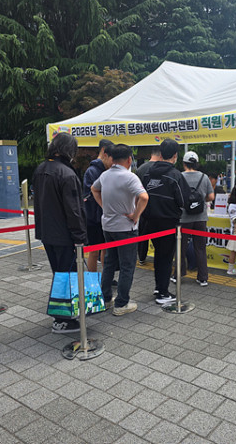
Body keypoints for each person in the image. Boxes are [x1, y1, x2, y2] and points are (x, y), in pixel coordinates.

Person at [33, 132, 87, 334]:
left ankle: (64, 314)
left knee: (59, 274)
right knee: (66, 276)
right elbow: (74, 210)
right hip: (64, 235)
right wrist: (80, 237)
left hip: (47, 232)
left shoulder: (41, 169)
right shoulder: (67, 174)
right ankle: (62, 320)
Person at [91, 144, 149, 316]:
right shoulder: (130, 177)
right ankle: (121, 303)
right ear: (129, 159)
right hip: (126, 227)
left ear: (111, 158)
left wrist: (104, 206)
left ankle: (105, 298)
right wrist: (135, 215)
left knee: (109, 263)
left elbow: (94, 189)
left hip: (108, 226)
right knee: (127, 265)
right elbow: (144, 197)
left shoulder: (105, 175)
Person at [141, 139, 190, 304]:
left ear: (160, 153)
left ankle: (159, 286)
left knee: (158, 255)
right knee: (166, 257)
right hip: (168, 222)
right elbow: (183, 200)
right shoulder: (175, 176)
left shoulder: (147, 173)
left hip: (149, 221)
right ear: (175, 155)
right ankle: (162, 293)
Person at [171, 151, 214, 287]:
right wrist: (200, 200)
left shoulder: (179, 176)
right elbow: (211, 197)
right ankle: (203, 278)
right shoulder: (204, 177)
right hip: (201, 217)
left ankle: (178, 275)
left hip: (184, 218)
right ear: (196, 163)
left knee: (181, 247)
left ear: (184, 163)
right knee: (200, 247)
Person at [83, 139, 114, 272]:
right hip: (93, 218)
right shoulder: (92, 171)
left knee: (106, 250)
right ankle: (92, 280)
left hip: (105, 216)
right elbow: (90, 194)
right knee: (94, 251)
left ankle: (105, 278)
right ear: (103, 152)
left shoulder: (107, 170)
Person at [136, 146, 163, 264]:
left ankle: (141, 257)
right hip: (159, 208)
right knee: (159, 237)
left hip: (143, 207)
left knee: (142, 235)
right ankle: (159, 259)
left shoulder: (141, 169)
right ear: (161, 155)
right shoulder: (163, 169)